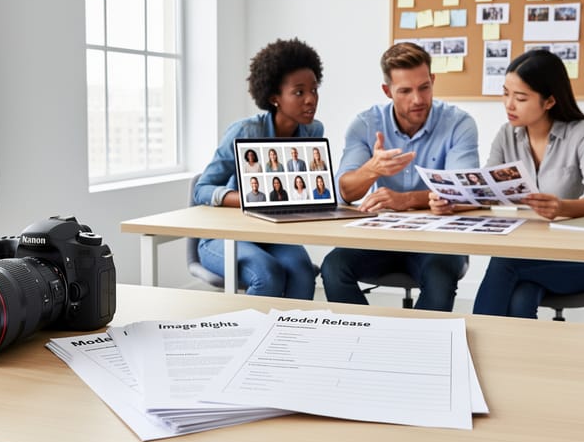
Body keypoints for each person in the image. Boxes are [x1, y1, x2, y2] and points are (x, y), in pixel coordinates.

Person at [431, 49, 584, 318]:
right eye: (505, 93)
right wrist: (453, 202)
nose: (509, 105)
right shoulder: (507, 135)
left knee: (505, 263)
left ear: (549, 101)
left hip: (583, 259)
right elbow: (484, 188)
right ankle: (515, 359)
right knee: (522, 297)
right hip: (530, 254)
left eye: (520, 98)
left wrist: (562, 207)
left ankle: (472, 345)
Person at [321, 42, 479, 311]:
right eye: (405, 91)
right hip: (382, 238)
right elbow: (343, 191)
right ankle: (367, 341)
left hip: (438, 240)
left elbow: (463, 191)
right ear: (387, 91)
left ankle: (421, 349)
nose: (417, 99)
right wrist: (372, 169)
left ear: (433, 80)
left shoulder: (459, 124)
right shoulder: (366, 124)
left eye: (424, 87)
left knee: (440, 276)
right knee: (333, 267)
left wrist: (405, 200)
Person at [193, 38, 323, 299]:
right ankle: (254, 340)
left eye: (314, 89)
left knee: (303, 272)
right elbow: (202, 190)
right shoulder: (245, 131)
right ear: (275, 97)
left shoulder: (313, 130)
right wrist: (248, 200)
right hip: (226, 237)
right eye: (299, 92)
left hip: (271, 234)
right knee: (267, 274)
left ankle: (294, 339)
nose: (311, 99)